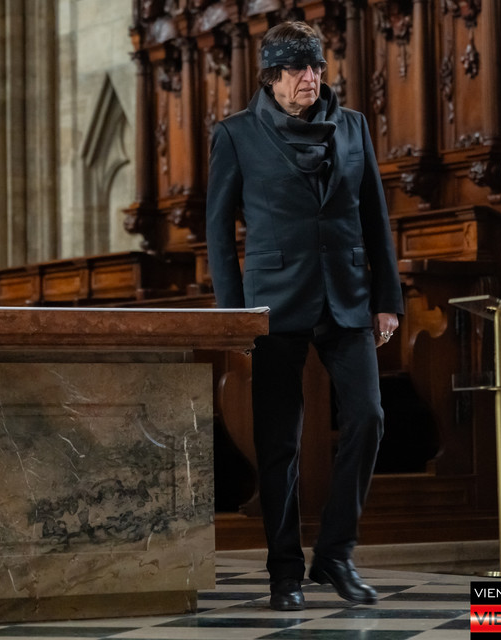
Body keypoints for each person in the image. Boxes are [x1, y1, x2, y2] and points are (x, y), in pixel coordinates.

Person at [205, 21, 403, 611]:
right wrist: (233, 316)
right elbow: (218, 232)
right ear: (272, 76)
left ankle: (336, 553)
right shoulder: (236, 135)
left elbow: (374, 217)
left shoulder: (353, 126)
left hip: (348, 296)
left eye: (315, 67)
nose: (309, 78)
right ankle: (285, 570)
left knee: (369, 418)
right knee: (279, 443)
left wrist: (387, 299)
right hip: (274, 303)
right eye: (297, 69)